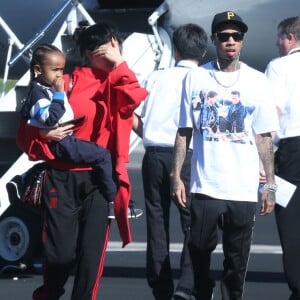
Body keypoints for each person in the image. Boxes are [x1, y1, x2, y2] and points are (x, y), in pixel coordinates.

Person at [16, 22, 148, 300]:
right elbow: (25, 130)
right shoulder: (65, 81)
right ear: (89, 53)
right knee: (60, 256)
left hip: (99, 181)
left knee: (91, 261)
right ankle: (48, 294)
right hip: (62, 178)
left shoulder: (118, 80)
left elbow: (134, 97)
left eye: (117, 46)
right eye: (108, 48)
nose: (115, 51)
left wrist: (119, 63)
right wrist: (44, 133)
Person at [170, 11, 279, 300]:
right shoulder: (195, 77)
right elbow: (184, 131)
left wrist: (270, 185)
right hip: (206, 186)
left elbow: (265, 138)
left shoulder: (258, 81)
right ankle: (201, 293)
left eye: (236, 36)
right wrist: (176, 177)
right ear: (214, 39)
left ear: (242, 41)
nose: (231, 41)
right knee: (198, 252)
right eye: (224, 36)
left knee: (236, 261)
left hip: (242, 189)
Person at [133, 24, 208, 300]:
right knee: (193, 221)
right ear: (203, 50)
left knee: (156, 220)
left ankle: (160, 284)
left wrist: (149, 135)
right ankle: (187, 284)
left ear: (174, 49)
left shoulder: (153, 78)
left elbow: (133, 114)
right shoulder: (204, 80)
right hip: (188, 157)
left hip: (154, 154)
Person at [20, 43, 118, 219]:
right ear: (38, 69)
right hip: (63, 144)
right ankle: (113, 200)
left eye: (62, 69)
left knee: (99, 154)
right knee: (103, 155)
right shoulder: (38, 93)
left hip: (64, 140)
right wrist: (59, 94)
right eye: (55, 70)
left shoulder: (43, 88)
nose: (59, 74)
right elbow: (49, 118)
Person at [265, 16, 300, 300]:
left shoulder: (279, 66)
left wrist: (262, 157)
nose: (277, 43)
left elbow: (271, 114)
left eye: (280, 37)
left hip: (293, 151)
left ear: (290, 38)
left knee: (291, 222)